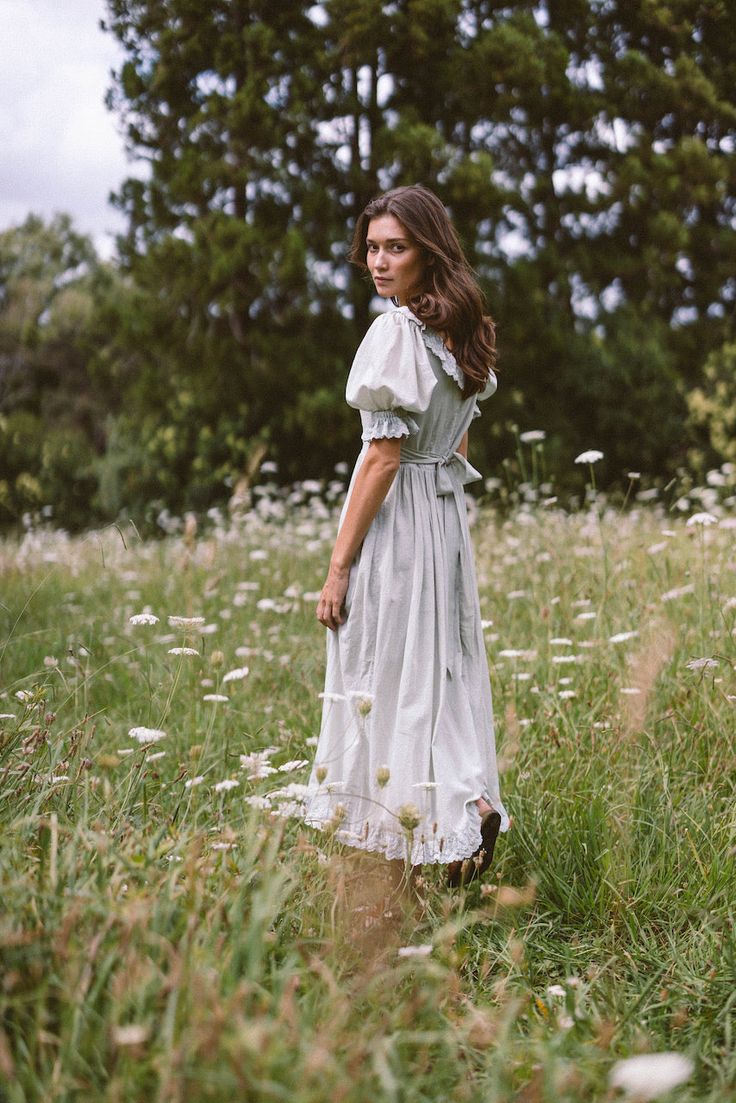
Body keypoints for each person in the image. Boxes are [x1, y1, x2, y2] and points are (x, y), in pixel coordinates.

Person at [303, 184, 509, 888]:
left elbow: (383, 456)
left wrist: (338, 565)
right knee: (439, 675)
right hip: (444, 522)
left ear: (429, 251)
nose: (380, 262)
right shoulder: (465, 334)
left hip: (400, 526)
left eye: (396, 247)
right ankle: (467, 804)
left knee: (383, 675)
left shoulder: (396, 332)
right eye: (372, 249)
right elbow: (456, 443)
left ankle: (401, 831)